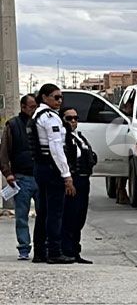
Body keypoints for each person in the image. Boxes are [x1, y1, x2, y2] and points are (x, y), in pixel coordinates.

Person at [28, 83, 76, 264]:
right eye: (56, 97)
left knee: (43, 211)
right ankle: (54, 251)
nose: (59, 101)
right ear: (44, 97)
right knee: (55, 212)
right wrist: (66, 175)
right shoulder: (50, 118)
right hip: (51, 168)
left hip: (41, 168)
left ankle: (40, 251)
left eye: (61, 97)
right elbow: (56, 148)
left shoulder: (38, 115)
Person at [0, 94, 39, 260]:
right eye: (31, 106)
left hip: (40, 176)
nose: (34, 109)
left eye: (35, 106)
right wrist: (8, 173)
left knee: (44, 215)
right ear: (23, 107)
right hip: (21, 178)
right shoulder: (13, 125)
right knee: (21, 216)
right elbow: (3, 152)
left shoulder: (40, 123)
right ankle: (24, 248)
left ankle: (43, 247)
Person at [61, 108, 96, 264]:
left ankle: (75, 250)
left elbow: (90, 155)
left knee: (80, 216)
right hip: (72, 179)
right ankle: (67, 250)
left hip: (84, 179)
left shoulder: (79, 137)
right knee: (70, 216)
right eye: (69, 118)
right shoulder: (63, 138)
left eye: (76, 118)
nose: (73, 121)